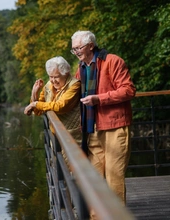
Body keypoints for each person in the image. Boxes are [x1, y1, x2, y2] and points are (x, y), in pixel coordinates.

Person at [70, 30, 136, 207]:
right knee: (95, 178)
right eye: (73, 49)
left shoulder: (112, 61)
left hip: (115, 126)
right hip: (93, 128)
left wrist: (99, 99)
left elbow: (128, 90)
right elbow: (71, 94)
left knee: (114, 177)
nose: (76, 52)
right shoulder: (81, 67)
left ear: (91, 45)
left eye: (78, 48)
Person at [24, 56, 81, 145]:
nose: (53, 81)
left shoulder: (74, 85)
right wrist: (34, 94)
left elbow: (60, 106)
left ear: (65, 74)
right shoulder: (49, 85)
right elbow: (38, 111)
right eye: (51, 77)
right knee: (55, 158)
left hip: (71, 139)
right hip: (54, 136)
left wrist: (34, 104)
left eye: (56, 77)